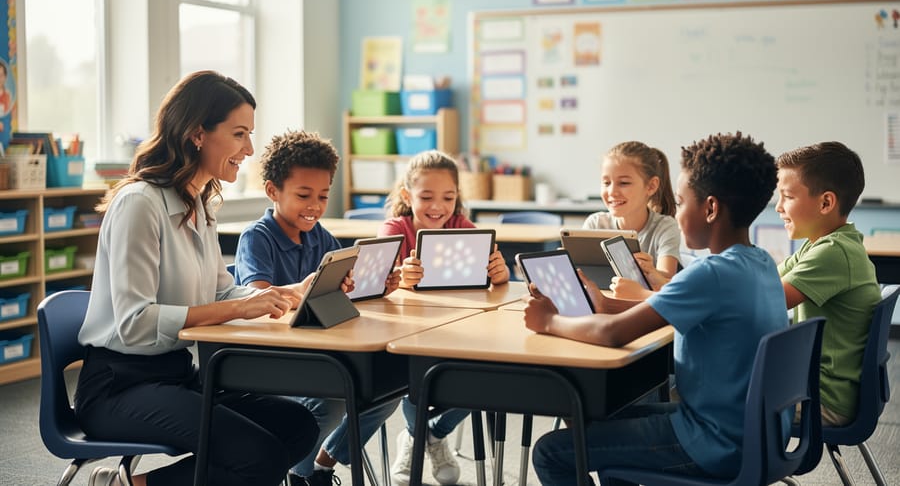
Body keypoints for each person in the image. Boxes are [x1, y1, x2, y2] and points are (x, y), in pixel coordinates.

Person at [74, 71, 318, 486]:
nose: (249, 149)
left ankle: (131, 485)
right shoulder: (140, 205)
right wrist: (240, 307)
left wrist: (285, 293)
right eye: (239, 134)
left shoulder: (199, 202)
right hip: (118, 387)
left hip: (175, 375)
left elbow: (220, 289)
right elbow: (135, 323)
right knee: (258, 456)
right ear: (197, 134)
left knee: (298, 425)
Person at [525, 132, 787, 484]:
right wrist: (604, 303)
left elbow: (612, 334)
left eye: (680, 202)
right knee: (601, 420)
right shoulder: (758, 262)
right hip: (753, 434)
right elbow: (654, 307)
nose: (676, 213)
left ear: (710, 208)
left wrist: (549, 320)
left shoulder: (712, 274)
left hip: (712, 442)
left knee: (552, 452)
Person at [233, 129, 400, 486]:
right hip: (271, 360)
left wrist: (373, 287)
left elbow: (339, 294)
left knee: (387, 390)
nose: (315, 205)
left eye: (323, 196)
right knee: (333, 402)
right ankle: (300, 475)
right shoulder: (257, 238)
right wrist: (298, 292)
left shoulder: (321, 237)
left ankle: (319, 465)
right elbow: (256, 299)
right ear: (272, 191)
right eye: (304, 195)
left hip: (319, 352)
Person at [378, 149, 510, 486]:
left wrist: (500, 274)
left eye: (448, 197)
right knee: (411, 380)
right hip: (410, 333)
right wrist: (398, 274)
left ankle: (427, 434)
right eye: (426, 197)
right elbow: (378, 279)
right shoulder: (395, 228)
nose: (437, 206)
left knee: (489, 379)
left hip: (459, 329)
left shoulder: (462, 227)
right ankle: (418, 435)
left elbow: (491, 279)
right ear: (408, 196)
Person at [775, 141, 881, 427]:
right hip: (812, 387)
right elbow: (765, 281)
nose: (778, 207)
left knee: (709, 395)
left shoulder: (834, 253)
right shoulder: (820, 245)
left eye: (787, 197)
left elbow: (766, 300)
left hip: (821, 399)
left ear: (825, 203)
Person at [583, 141, 681, 300]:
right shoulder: (594, 224)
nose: (612, 192)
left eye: (624, 183)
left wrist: (652, 272)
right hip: (603, 307)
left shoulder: (665, 227)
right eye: (606, 183)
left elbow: (668, 282)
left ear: (651, 186)